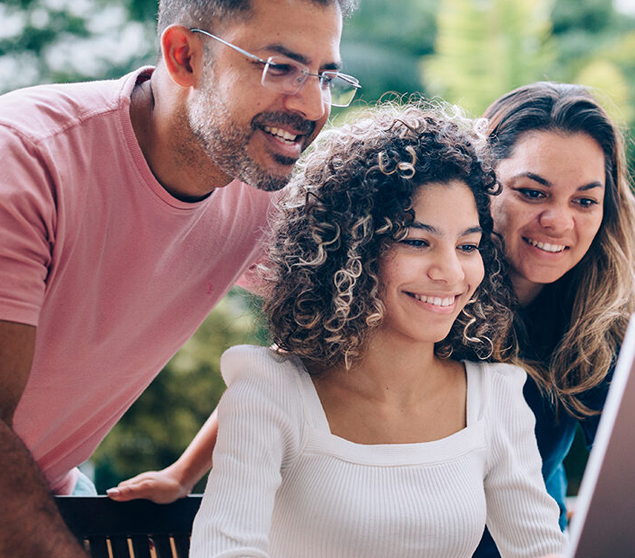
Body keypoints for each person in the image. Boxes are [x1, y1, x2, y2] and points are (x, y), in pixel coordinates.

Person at [0, 0, 360, 555]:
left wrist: (187, 471)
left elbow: (336, 337)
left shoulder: (260, 190)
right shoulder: (23, 157)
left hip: (52, 490)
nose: (311, 105)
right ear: (185, 56)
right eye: (279, 67)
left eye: (325, 77)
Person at [189, 104, 567, 558]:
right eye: (416, 241)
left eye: (468, 246)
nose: (451, 272)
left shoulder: (497, 397)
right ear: (350, 250)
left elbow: (541, 551)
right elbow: (224, 550)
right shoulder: (270, 391)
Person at [472, 82, 635, 556]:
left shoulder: (603, 320)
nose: (559, 221)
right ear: (478, 184)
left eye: (584, 201)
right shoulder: (424, 300)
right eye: (533, 192)